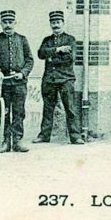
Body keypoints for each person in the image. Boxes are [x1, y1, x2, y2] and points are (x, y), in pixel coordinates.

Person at [0, 9, 33, 153]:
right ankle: (6, 141)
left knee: (19, 112)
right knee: (4, 113)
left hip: (19, 83)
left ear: (15, 23)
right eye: (5, 22)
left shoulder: (22, 39)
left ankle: (17, 141)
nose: (8, 25)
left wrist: (23, 73)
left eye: (10, 22)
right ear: (0, 23)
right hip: (3, 83)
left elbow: (30, 60)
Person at [33, 10, 84, 145]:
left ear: (63, 23)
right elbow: (40, 53)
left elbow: (69, 59)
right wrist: (58, 50)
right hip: (49, 79)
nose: (56, 25)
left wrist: (51, 58)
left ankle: (75, 136)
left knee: (70, 108)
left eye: (58, 22)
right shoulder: (47, 40)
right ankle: (44, 135)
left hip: (66, 79)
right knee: (47, 108)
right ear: (50, 24)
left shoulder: (70, 39)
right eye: (53, 22)